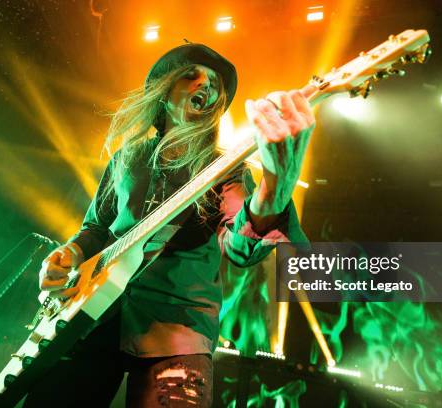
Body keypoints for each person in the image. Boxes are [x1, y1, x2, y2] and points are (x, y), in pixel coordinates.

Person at [26, 43, 313, 407]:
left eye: (215, 84)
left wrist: (276, 187)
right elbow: (98, 227)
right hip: (92, 318)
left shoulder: (225, 171)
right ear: (163, 93)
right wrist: (70, 252)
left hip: (178, 331)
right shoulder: (127, 157)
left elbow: (242, 247)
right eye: (192, 75)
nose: (206, 85)